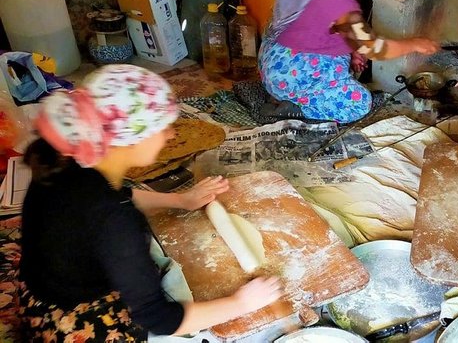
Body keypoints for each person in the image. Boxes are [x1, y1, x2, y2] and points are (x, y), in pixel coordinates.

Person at [19, 65, 281, 341]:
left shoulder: (68, 159)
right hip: (67, 315)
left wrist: (181, 200)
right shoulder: (116, 221)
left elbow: (114, 201)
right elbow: (159, 318)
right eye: (163, 127)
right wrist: (241, 304)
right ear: (131, 141)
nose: (170, 135)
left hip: (37, 284)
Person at [259, 0, 440, 123]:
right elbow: (376, 49)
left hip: (272, 68)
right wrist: (415, 44)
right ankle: (297, 108)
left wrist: (353, 50)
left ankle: (285, 95)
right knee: (360, 102)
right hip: (292, 76)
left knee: (343, 66)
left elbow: (317, 28)